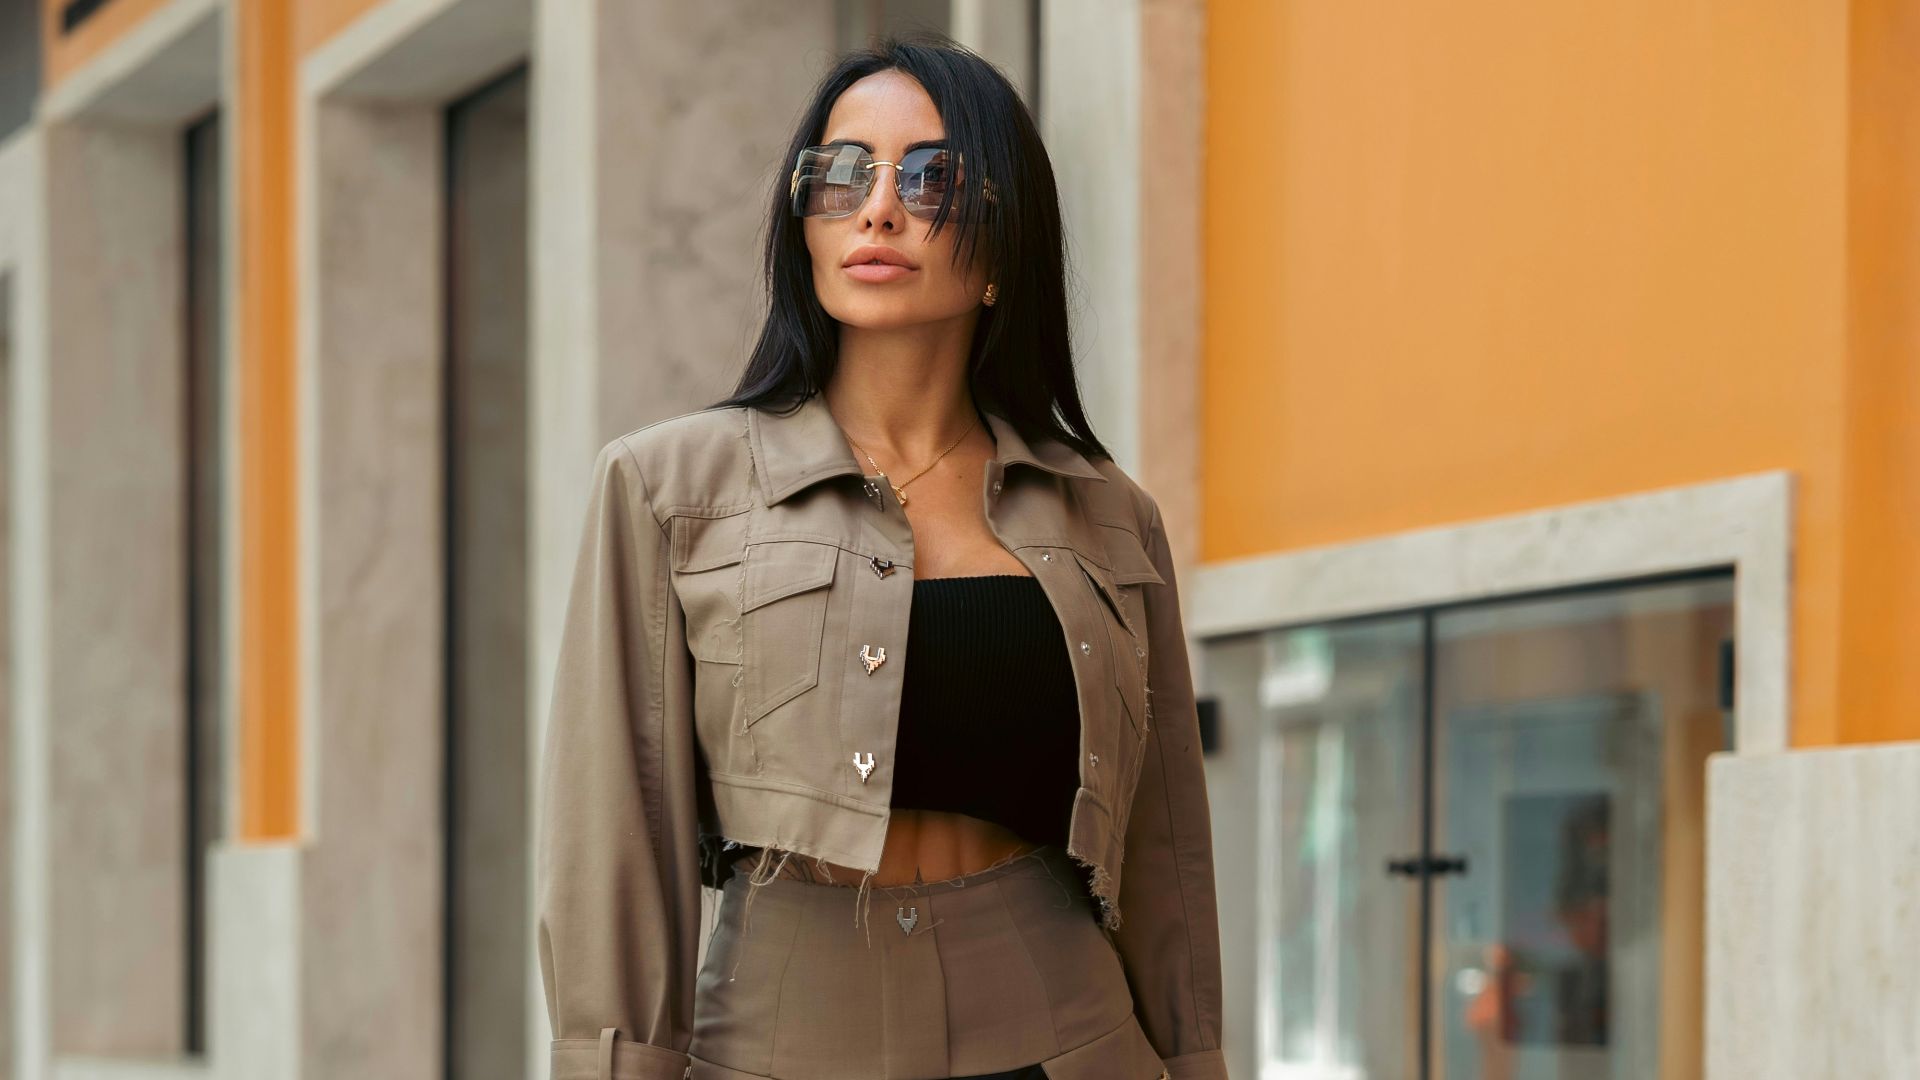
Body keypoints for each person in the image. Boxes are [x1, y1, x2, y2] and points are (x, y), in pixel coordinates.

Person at [537, 34, 1227, 1080]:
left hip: (1067, 1037)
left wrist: (1197, 1060)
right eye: (841, 173)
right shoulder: (669, 488)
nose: (879, 208)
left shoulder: (1108, 515)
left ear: (1002, 249)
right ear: (802, 231)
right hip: (782, 1039)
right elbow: (613, 840)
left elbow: (1166, 850)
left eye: (932, 176)